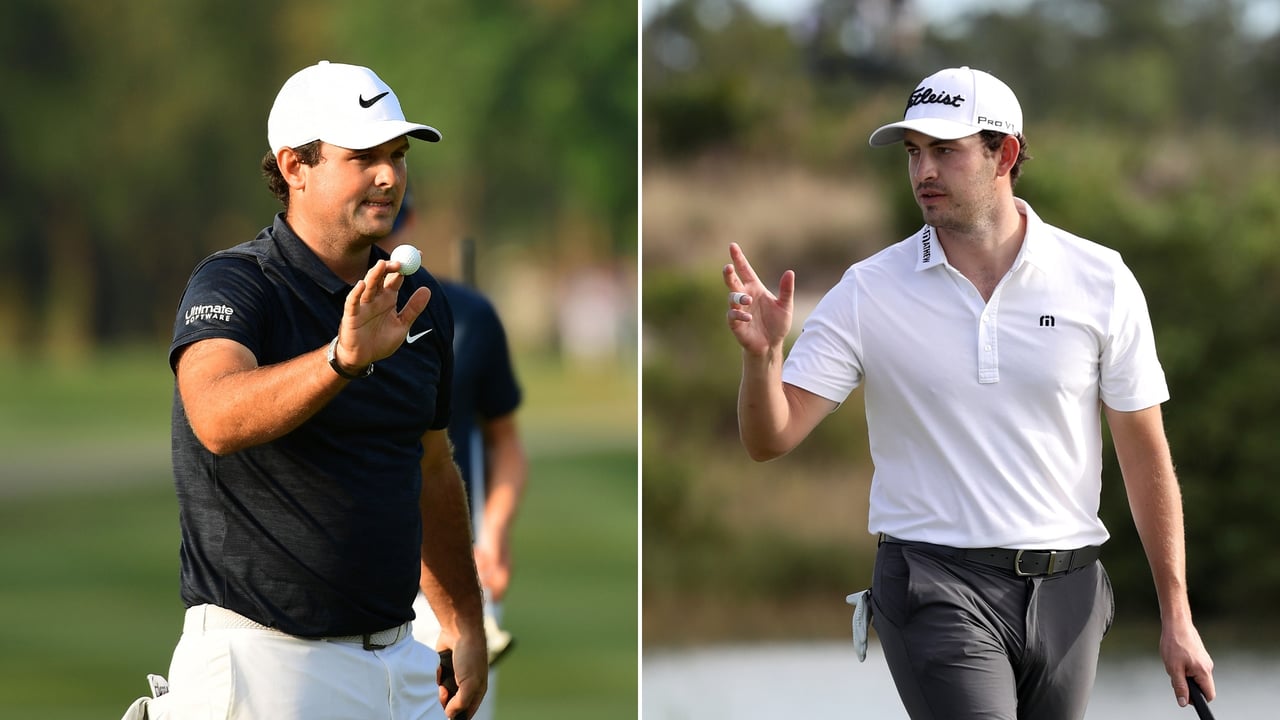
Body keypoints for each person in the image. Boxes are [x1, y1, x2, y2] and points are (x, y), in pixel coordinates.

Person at [723, 66, 1214, 719]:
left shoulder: (1101, 280)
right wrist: (764, 360)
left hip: (1070, 593)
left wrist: (1177, 615)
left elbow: (1145, 452)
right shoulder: (869, 290)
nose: (923, 170)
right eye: (913, 152)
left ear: (1004, 154)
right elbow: (770, 438)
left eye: (945, 151)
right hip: (933, 584)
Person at [121, 60, 486, 720]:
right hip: (266, 668)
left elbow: (432, 467)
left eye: (398, 155)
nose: (390, 176)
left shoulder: (422, 304)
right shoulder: (235, 285)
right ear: (295, 166)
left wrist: (462, 620)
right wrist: (340, 360)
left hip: (404, 666)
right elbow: (215, 415)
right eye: (365, 156)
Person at [378, 191, 528, 720]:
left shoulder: (469, 315)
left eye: (393, 216)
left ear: (411, 220)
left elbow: (505, 442)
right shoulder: (320, 308)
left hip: (453, 559)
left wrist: (496, 536)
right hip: (366, 564)